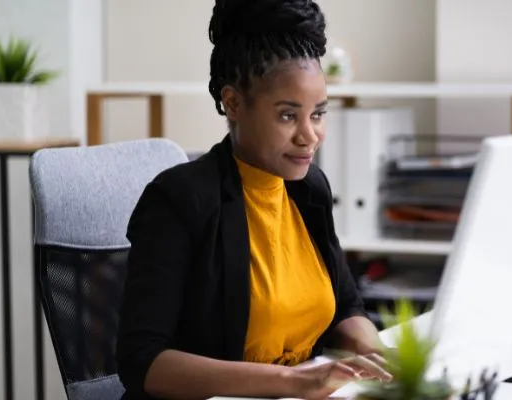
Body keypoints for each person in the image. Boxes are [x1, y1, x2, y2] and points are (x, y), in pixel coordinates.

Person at [115, 1, 391, 399]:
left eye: (318, 114)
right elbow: (142, 360)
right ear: (234, 104)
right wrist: (295, 382)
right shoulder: (179, 200)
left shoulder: (309, 188)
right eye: (287, 115)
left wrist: (376, 356)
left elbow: (347, 305)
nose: (309, 135)